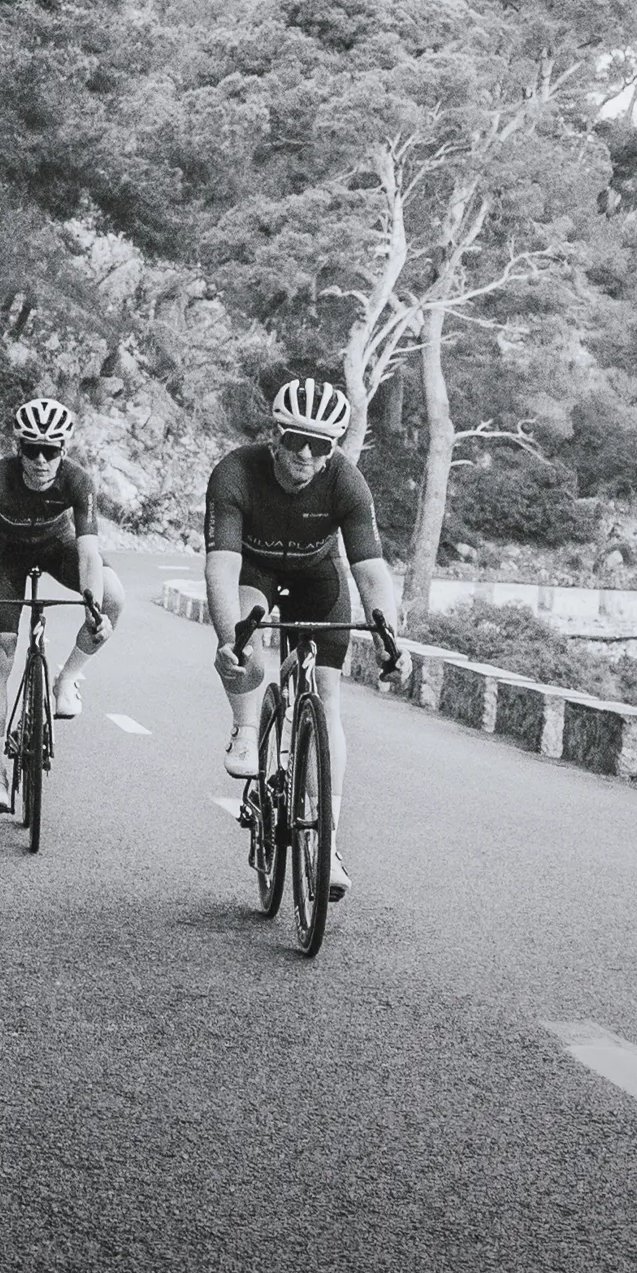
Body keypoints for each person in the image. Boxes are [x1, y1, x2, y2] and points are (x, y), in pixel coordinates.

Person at [200, 376, 401, 901]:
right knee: (248, 646)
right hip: (256, 571)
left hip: (318, 576)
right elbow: (221, 569)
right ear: (275, 437)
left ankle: (327, 844)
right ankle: (246, 727)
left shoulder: (346, 482)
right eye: (295, 440)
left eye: (321, 445)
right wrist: (231, 643)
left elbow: (371, 571)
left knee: (328, 698)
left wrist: (389, 638)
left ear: (333, 450)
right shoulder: (235, 473)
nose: (306, 454)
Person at [0, 396, 121, 814]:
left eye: (49, 451)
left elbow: (88, 554)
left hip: (57, 548)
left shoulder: (77, 480)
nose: (39, 460)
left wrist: (95, 609)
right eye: (30, 449)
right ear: (18, 449)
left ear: (62, 452)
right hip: (9, 559)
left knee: (114, 595)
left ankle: (67, 678)